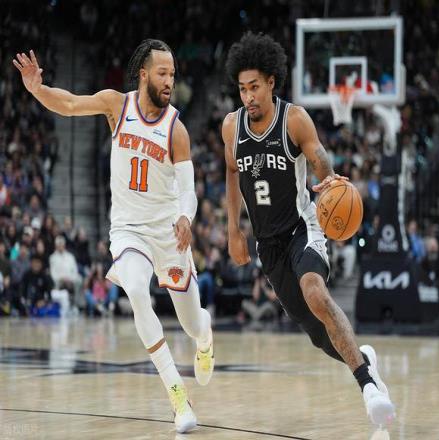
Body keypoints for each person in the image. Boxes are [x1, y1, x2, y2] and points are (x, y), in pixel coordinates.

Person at [14, 39, 214, 433]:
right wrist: (38, 89)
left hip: (167, 234)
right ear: (143, 74)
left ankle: (205, 338)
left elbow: (188, 190)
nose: (169, 80)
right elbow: (70, 104)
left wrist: (186, 217)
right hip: (128, 230)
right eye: (162, 73)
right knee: (136, 290)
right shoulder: (116, 105)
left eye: (173, 74)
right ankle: (177, 395)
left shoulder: (176, 129)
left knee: (192, 323)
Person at [223, 32, 395, 427]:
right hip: (267, 245)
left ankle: (369, 388)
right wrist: (233, 229)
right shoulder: (231, 127)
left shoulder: (294, 119)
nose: (248, 96)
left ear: (271, 82)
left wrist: (329, 180)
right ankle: (364, 360)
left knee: (315, 292)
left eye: (255, 87)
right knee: (319, 335)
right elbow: (232, 172)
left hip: (303, 227)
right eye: (242, 88)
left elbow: (319, 158)